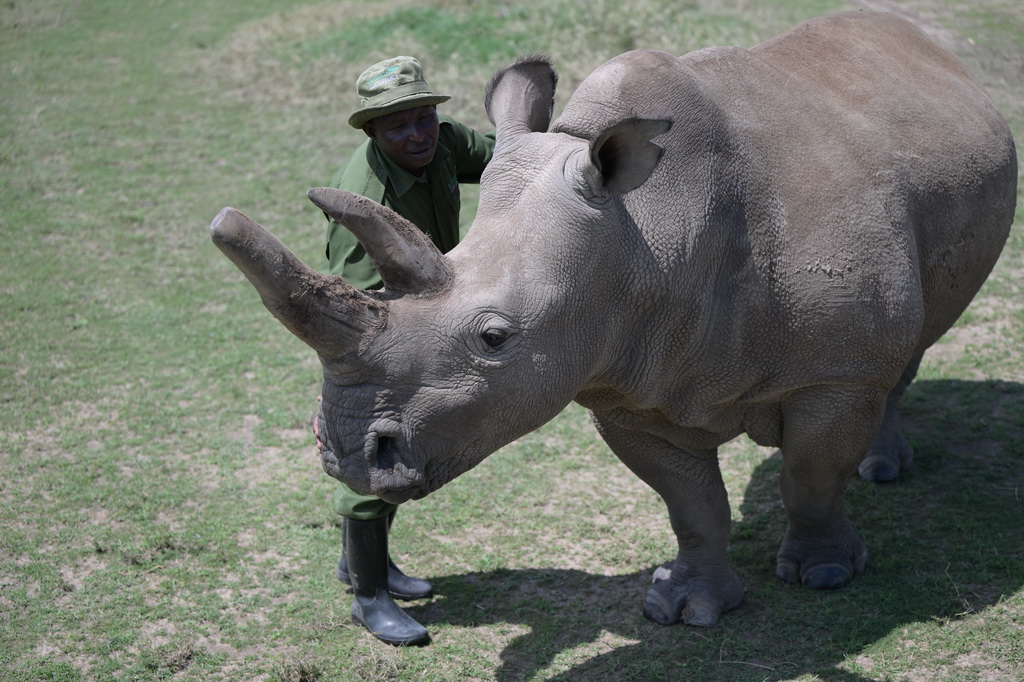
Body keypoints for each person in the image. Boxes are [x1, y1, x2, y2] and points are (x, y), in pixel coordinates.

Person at [313, 56, 495, 647]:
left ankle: (363, 565)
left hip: (434, 315)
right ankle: (369, 599)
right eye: (398, 127)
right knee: (375, 460)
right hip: (384, 345)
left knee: (404, 456)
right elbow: (354, 314)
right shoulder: (361, 204)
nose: (416, 134)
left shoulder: (441, 144)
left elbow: (499, 156)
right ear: (372, 133)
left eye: (424, 117)